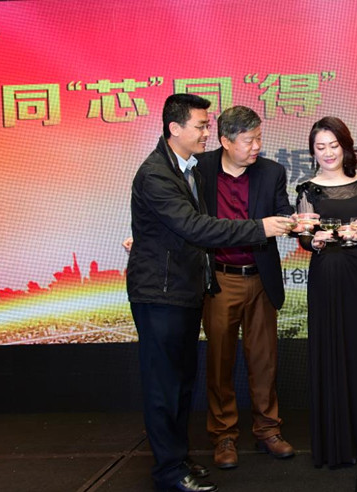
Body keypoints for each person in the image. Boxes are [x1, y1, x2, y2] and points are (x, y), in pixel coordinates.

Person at [127, 94, 294, 492]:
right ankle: (169, 471)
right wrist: (261, 227)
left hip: (183, 290)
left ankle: (178, 459)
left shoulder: (184, 168)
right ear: (175, 128)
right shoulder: (157, 174)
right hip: (162, 294)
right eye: (201, 126)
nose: (206, 132)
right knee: (164, 387)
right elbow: (196, 227)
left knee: (181, 383)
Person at [294, 116, 357, 468]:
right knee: (330, 352)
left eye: (333, 145)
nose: (328, 153)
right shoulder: (308, 190)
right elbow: (305, 236)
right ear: (312, 152)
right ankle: (334, 447)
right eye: (320, 147)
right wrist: (315, 241)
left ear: (345, 146)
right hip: (326, 275)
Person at [198, 106, 295, 469]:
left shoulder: (272, 172)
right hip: (220, 280)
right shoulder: (200, 169)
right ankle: (223, 434)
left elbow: (282, 212)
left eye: (259, 138)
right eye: (249, 140)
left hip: (260, 278)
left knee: (264, 361)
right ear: (225, 141)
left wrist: (295, 223)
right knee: (219, 361)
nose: (257, 146)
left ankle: (268, 430)